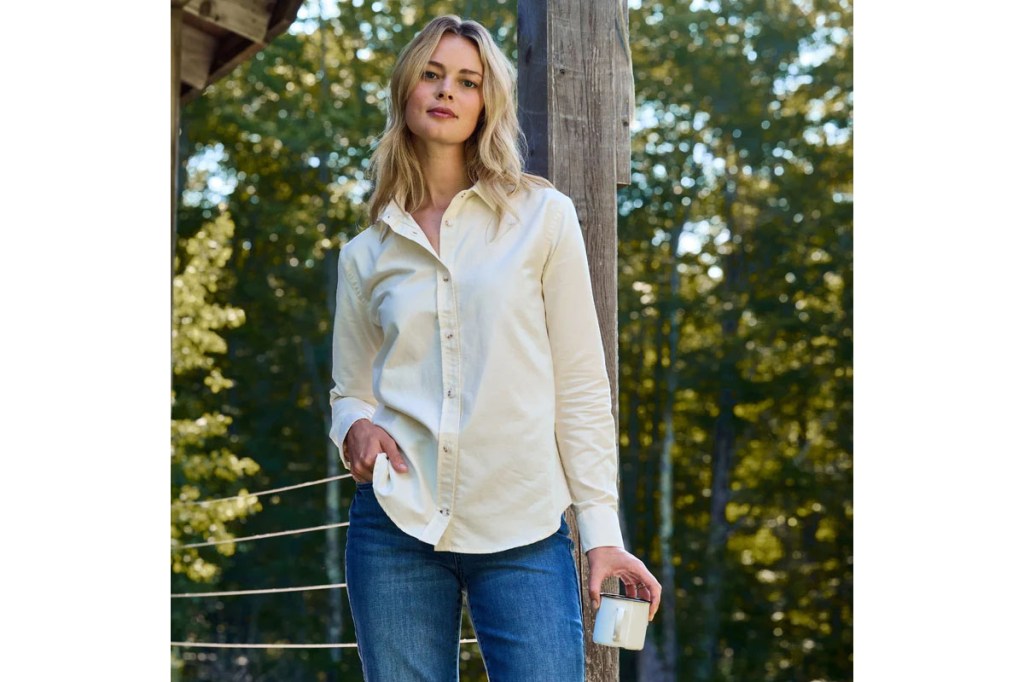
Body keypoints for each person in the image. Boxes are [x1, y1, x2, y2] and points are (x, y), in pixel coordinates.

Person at [329, 14, 661, 681]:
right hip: (396, 526)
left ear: (487, 102)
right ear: (407, 90)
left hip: (524, 527)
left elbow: (581, 384)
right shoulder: (366, 254)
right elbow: (350, 389)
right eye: (432, 74)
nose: (446, 91)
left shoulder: (543, 218)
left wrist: (602, 535)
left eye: (467, 81)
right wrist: (353, 428)